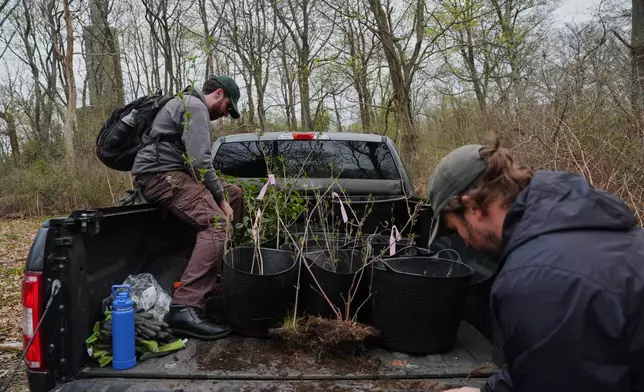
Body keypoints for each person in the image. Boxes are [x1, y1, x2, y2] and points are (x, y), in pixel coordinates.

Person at [426, 142, 644, 392]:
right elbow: (560, 365)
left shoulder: (536, 279)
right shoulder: (583, 224)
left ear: (473, 207)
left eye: (456, 228)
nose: (463, 240)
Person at [131, 75, 245, 340]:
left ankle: (217, 277)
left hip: (173, 174)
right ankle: (185, 306)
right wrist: (220, 200)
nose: (226, 113)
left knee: (235, 194)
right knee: (218, 224)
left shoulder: (187, 104)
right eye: (228, 107)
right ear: (218, 94)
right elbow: (200, 162)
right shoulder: (195, 107)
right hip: (161, 176)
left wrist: (226, 197)